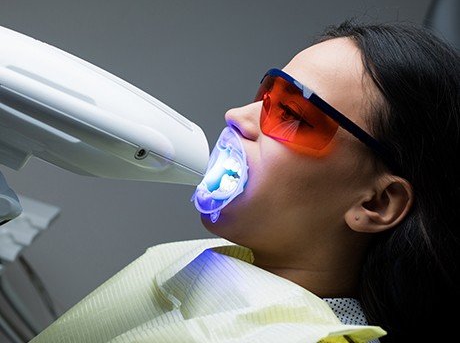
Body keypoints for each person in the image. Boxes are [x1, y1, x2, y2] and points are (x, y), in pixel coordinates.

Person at [31, 20, 459, 343]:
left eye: (291, 115)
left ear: (377, 203)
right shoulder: (195, 261)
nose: (237, 116)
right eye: (264, 97)